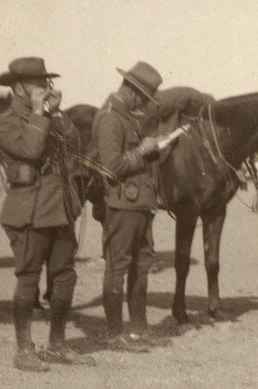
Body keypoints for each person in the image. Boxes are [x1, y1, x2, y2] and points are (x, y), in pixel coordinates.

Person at [0, 57, 94, 371]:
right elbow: (30, 152)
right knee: (28, 280)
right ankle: (24, 351)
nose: (46, 88)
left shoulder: (50, 115)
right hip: (29, 211)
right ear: (19, 88)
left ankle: (58, 345)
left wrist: (58, 112)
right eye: (40, 83)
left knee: (65, 277)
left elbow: (75, 142)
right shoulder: (3, 122)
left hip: (59, 208)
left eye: (47, 82)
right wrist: (40, 113)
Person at [93, 61, 177, 352]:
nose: (143, 103)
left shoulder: (126, 118)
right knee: (118, 268)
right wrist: (143, 150)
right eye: (142, 97)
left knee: (141, 267)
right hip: (122, 205)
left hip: (140, 204)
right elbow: (111, 167)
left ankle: (139, 330)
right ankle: (115, 334)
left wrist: (155, 148)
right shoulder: (110, 120)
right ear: (130, 90)